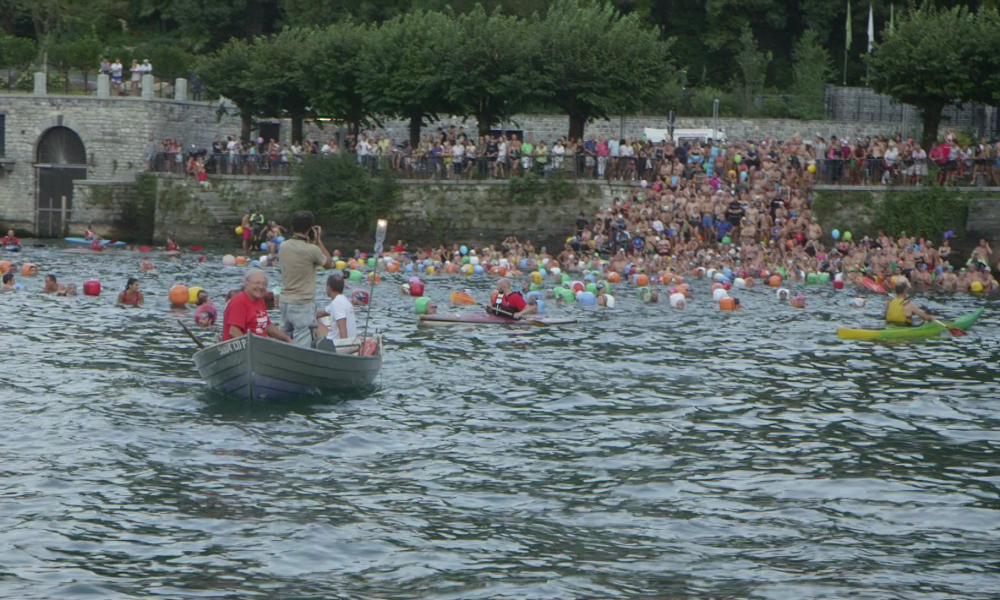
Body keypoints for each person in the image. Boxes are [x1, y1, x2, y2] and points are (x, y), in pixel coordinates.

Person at [277, 210, 333, 347]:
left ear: (292, 226)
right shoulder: (312, 250)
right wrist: (318, 240)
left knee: (285, 338)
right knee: (303, 343)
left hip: (285, 301)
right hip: (302, 303)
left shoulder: (283, 246)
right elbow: (329, 264)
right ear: (310, 228)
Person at [222, 270, 293, 342]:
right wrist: (251, 347)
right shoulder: (239, 302)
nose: (261, 287)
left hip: (258, 346)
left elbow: (268, 326)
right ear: (246, 284)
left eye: (264, 284)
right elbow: (234, 331)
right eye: (257, 283)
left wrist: (287, 339)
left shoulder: (260, 300)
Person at [314, 275, 358, 352]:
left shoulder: (336, 303)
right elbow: (321, 313)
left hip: (337, 345)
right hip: (351, 341)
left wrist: (344, 349)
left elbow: (342, 328)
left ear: (329, 287)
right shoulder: (344, 301)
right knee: (313, 318)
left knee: (312, 321)